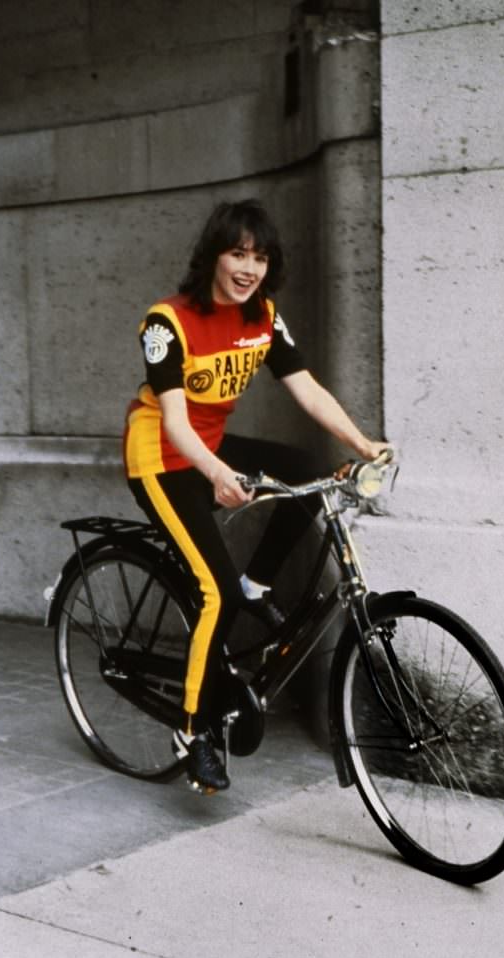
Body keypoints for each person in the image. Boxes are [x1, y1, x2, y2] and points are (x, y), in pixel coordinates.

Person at [123, 198, 388, 794]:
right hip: (161, 460)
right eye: (238, 253)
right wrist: (217, 474)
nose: (249, 268)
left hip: (210, 447)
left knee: (307, 475)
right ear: (213, 256)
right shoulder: (167, 322)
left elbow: (307, 389)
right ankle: (193, 733)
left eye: (260, 257)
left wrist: (363, 443)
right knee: (211, 590)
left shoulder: (263, 317)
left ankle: (255, 585)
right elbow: (172, 423)